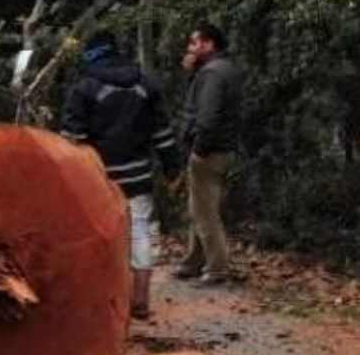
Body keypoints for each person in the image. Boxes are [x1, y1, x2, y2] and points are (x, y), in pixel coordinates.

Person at [60, 30, 182, 320]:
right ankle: (140, 300)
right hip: (138, 177)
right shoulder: (145, 85)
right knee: (139, 231)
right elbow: (162, 134)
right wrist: (172, 169)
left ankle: (100, 302)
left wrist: (66, 179)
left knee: (96, 236)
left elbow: (71, 138)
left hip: (96, 179)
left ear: (92, 55)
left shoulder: (85, 88)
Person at [174, 23, 243, 285]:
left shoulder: (212, 73)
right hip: (222, 147)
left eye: (194, 43)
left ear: (208, 44)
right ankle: (193, 260)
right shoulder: (223, 69)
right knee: (199, 206)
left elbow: (207, 114)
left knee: (205, 212)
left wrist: (199, 148)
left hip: (209, 150)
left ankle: (217, 268)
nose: (189, 48)